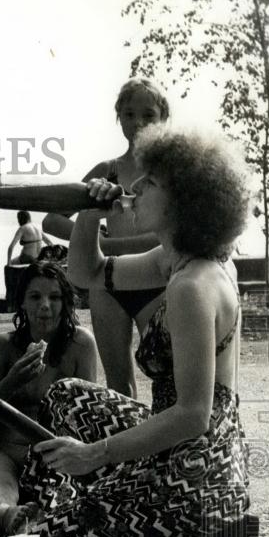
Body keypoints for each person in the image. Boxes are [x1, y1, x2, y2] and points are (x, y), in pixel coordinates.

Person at [26, 126, 257, 537]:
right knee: (69, 394)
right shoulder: (176, 261)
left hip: (196, 468)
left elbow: (194, 415)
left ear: (183, 201)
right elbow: (85, 274)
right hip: (194, 447)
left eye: (150, 182)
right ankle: (179, 535)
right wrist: (91, 211)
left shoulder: (192, 286)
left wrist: (95, 455)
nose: (136, 187)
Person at [42, 77, 171, 396]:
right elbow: (51, 219)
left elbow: (166, 237)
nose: (138, 122)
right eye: (129, 114)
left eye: (148, 114)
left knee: (169, 378)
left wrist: (107, 245)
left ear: (163, 118)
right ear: (119, 118)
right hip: (107, 283)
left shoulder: (170, 171)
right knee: (118, 383)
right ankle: (130, 446)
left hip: (154, 279)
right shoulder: (108, 170)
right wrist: (90, 230)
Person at [0, 262, 98, 535]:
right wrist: (12, 381)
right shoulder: (3, 346)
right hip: (2, 452)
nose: (45, 306)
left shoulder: (81, 345)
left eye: (55, 297)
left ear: (67, 303)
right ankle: (7, 514)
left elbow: (89, 421)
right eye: (35, 297)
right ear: (22, 302)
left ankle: (46, 514)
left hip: (56, 459)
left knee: (73, 499)